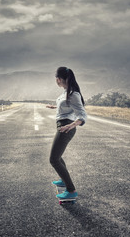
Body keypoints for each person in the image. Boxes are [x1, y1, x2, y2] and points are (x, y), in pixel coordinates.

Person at [46, 66, 87, 199]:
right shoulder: (66, 91)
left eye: (56, 79)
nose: (56, 81)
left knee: (54, 159)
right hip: (62, 125)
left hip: (66, 128)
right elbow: (66, 107)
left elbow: (82, 115)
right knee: (58, 156)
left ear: (58, 79)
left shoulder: (73, 94)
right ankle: (64, 181)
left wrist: (72, 124)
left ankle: (71, 190)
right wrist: (55, 107)